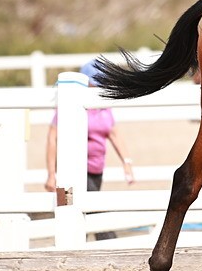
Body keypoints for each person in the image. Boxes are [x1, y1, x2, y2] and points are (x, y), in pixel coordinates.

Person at [45, 61, 135, 239]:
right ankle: (110, 243)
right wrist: (51, 173)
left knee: (86, 209)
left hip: (96, 168)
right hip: (76, 167)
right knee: (92, 206)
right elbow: (52, 138)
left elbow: (114, 134)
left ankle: (83, 243)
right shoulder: (69, 104)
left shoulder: (103, 106)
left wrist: (127, 163)